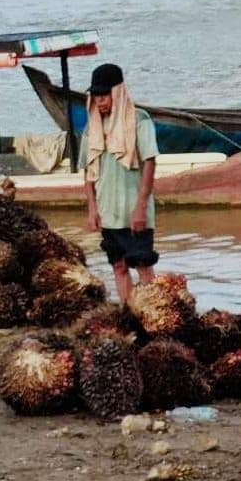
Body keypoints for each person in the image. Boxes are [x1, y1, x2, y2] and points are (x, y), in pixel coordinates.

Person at [81, 64, 160, 303]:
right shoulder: (92, 128)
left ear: (117, 93)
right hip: (108, 212)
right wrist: (93, 208)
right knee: (119, 267)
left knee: (143, 266)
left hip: (134, 211)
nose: (100, 102)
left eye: (104, 96)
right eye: (96, 97)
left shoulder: (139, 121)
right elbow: (89, 172)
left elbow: (149, 162)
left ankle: (152, 314)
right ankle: (128, 313)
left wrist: (141, 207)